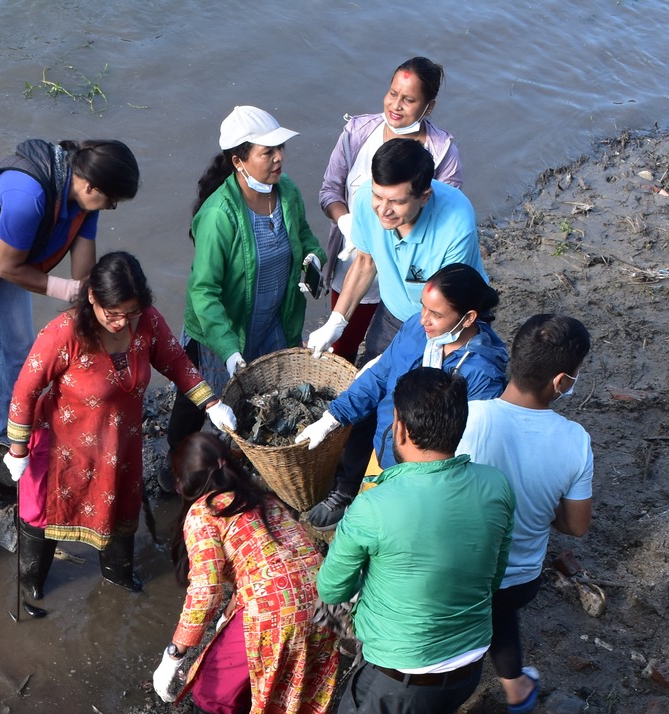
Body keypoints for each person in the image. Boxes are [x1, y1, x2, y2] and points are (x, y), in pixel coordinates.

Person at [0, 137, 142, 493]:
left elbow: (83, 278)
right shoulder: (29, 196)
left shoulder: (86, 199)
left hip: (1, 254)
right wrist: (70, 292)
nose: (111, 207)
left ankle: (4, 429)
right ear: (90, 184)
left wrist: (97, 317)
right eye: (111, 200)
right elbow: (9, 268)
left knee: (19, 344)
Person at [6, 252, 235, 601]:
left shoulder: (147, 323)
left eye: (130, 313)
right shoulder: (63, 333)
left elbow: (175, 361)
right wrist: (17, 450)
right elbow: (25, 390)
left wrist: (211, 402)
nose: (121, 322)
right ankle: (32, 582)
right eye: (113, 314)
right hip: (64, 448)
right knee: (45, 513)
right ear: (93, 298)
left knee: (116, 507)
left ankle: (117, 575)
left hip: (121, 444)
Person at [315, 367, 513, 714]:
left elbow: (332, 588)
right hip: (470, 666)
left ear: (399, 430)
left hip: (397, 680)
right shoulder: (496, 486)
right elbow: (495, 576)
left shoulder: (373, 505)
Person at [151, 433, 338, 714]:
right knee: (259, 664)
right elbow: (263, 563)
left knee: (212, 689)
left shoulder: (203, 512)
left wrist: (174, 654)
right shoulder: (262, 496)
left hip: (277, 609)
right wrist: (228, 616)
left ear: (185, 483)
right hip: (326, 599)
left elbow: (205, 590)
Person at [167, 105, 326, 452]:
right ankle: (177, 459)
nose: (278, 158)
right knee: (197, 397)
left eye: (280, 149)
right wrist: (227, 350)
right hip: (221, 331)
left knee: (266, 400)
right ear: (239, 161)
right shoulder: (218, 217)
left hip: (273, 321)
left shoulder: (288, 193)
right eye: (267, 152)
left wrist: (314, 257)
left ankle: (251, 457)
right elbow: (204, 292)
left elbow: (304, 235)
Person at [457, 314, 595, 714]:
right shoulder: (575, 441)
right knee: (499, 611)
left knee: (465, 618)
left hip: (458, 568)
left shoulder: (468, 416)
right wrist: (541, 503)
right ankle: (515, 685)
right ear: (560, 382)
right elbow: (576, 525)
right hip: (519, 580)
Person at [297, 265, 507, 527]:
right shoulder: (416, 330)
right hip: (383, 451)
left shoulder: (482, 375)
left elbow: (470, 446)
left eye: (436, 314)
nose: (423, 319)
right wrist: (333, 417)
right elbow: (379, 376)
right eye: (423, 307)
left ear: (468, 318)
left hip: (424, 481)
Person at [317, 57, 464, 363]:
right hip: (354, 263)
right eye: (393, 93)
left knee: (393, 355)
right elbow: (331, 191)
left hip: (412, 277)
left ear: (429, 106)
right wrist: (348, 224)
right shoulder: (357, 135)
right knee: (342, 347)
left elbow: (442, 237)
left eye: (409, 99)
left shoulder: (442, 156)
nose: (396, 105)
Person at [306, 139, 480, 362]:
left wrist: (395, 358)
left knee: (432, 382)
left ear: (424, 196)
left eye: (396, 202)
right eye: (378, 196)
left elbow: (447, 307)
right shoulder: (364, 199)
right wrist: (337, 321)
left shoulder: (456, 225)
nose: (383, 210)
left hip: (449, 312)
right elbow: (365, 263)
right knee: (373, 363)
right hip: (395, 308)